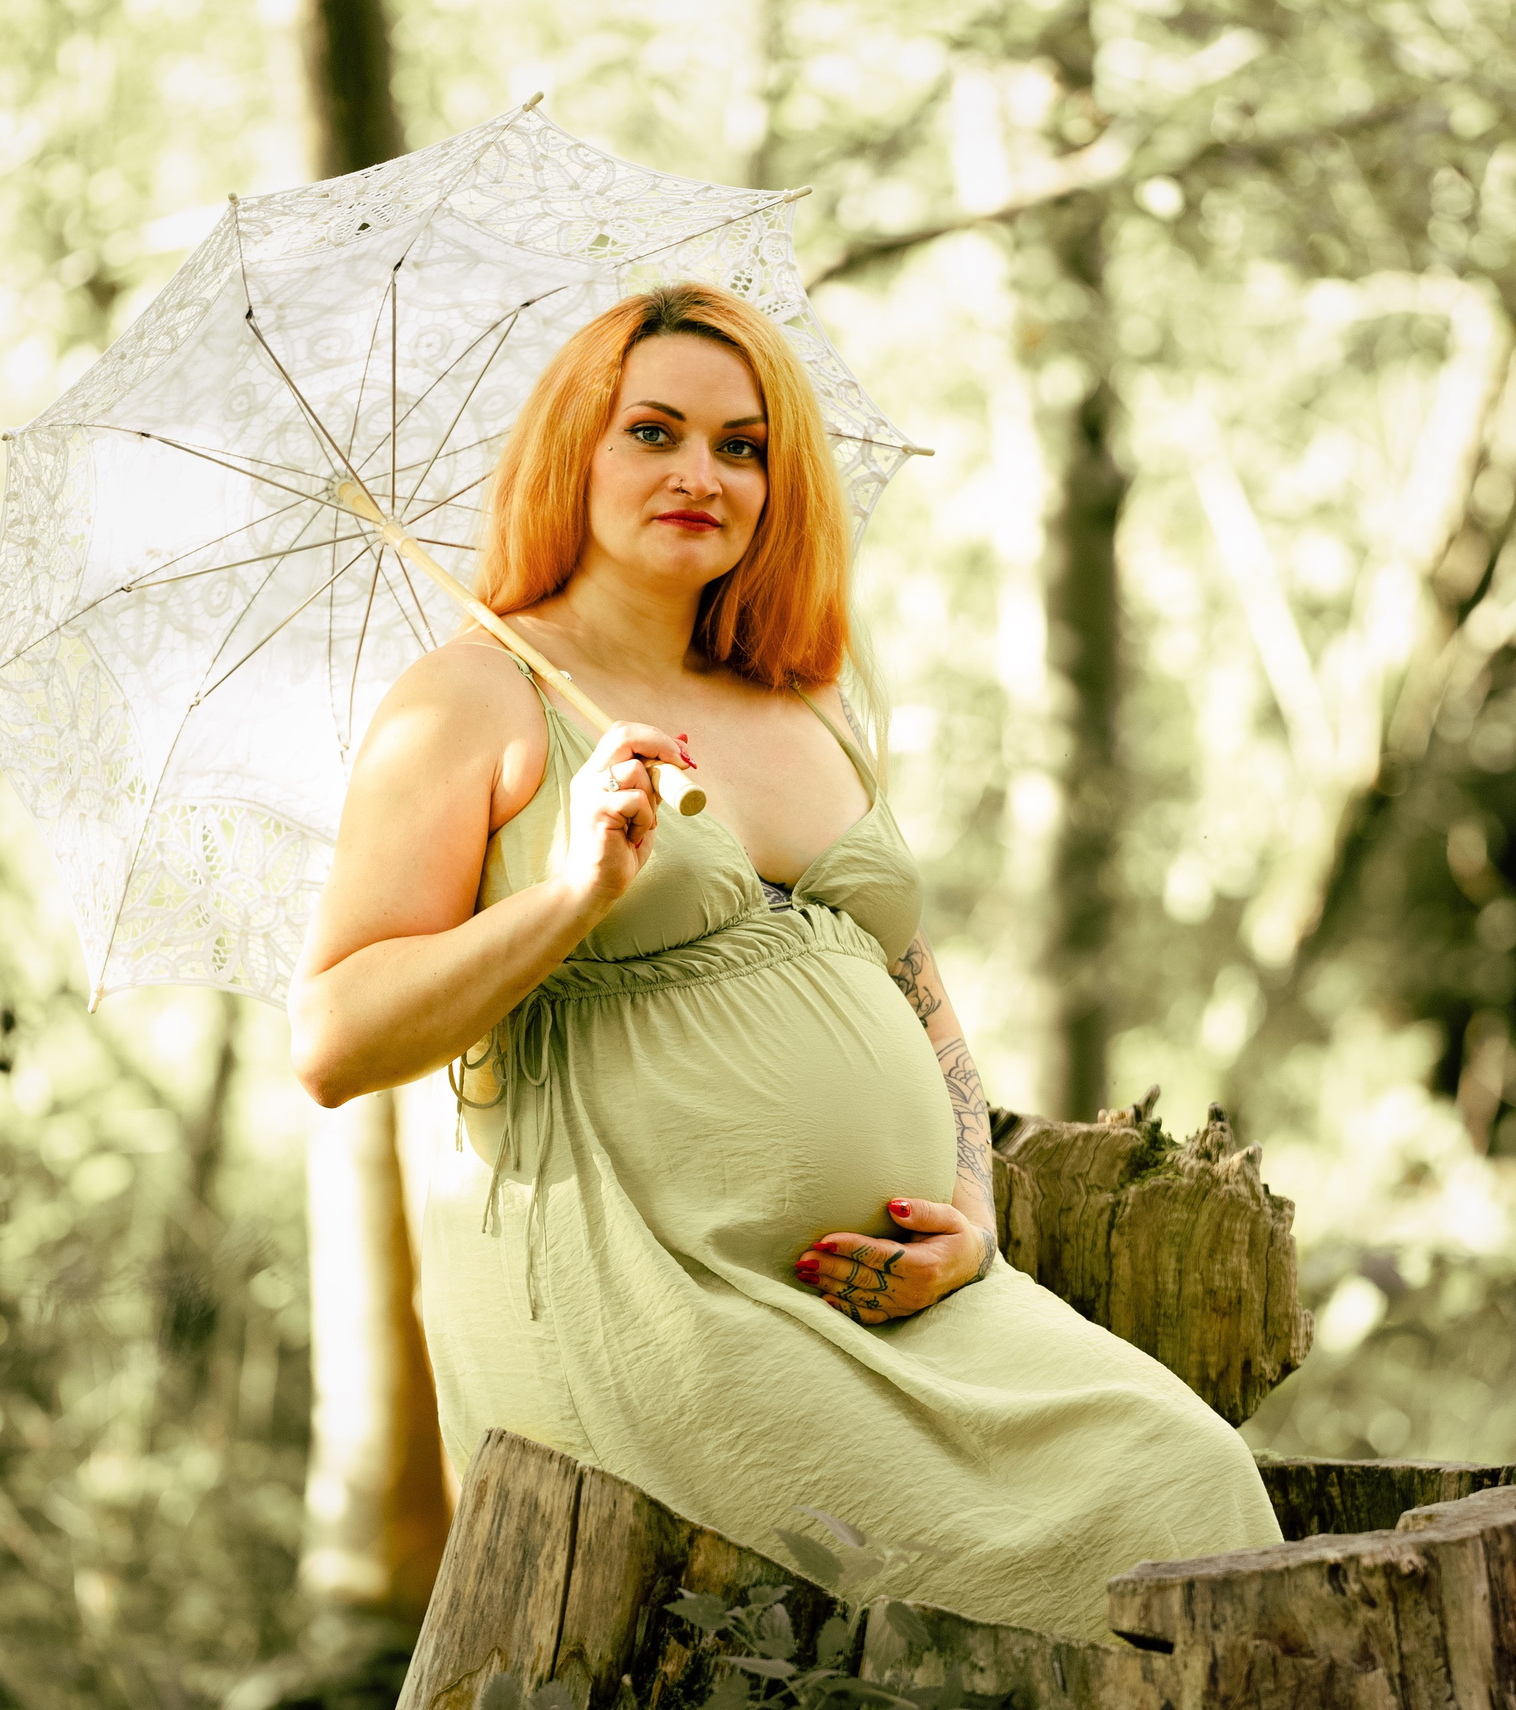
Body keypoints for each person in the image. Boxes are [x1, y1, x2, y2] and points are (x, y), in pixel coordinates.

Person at [287, 283, 1279, 1641]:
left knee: (1193, 1481)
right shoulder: (471, 699)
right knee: (1023, 1585)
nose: (702, 472)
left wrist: (974, 1214)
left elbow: (915, 986)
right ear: (575, 450)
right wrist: (573, 890)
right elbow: (333, 1038)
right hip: (654, 1290)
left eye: (743, 444)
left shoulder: (802, 698)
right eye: (654, 431)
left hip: (890, 1295)